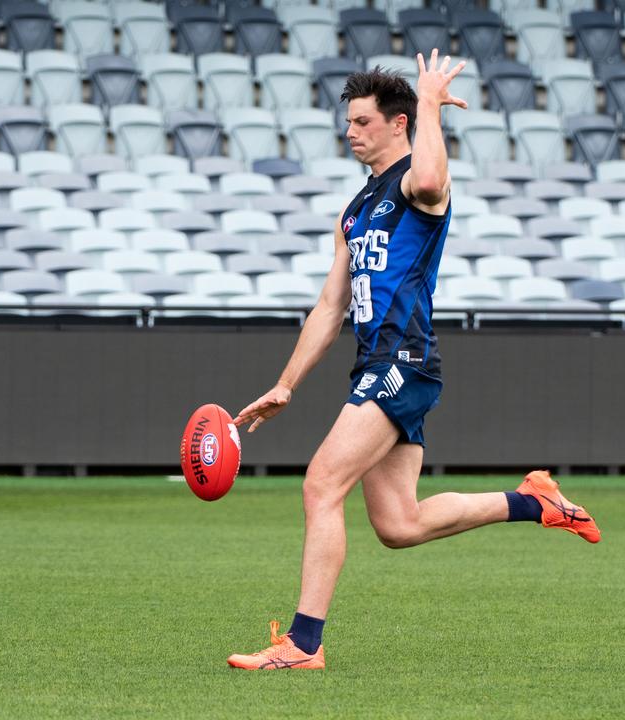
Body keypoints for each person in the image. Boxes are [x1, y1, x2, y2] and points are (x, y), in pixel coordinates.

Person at [226, 50, 601, 671]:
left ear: (397, 125)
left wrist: (428, 102)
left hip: (403, 360)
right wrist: (286, 384)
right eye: (348, 121)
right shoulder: (353, 211)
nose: (351, 131)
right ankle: (535, 501)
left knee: (321, 485)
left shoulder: (415, 183)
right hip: (379, 362)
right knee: (398, 525)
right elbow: (329, 306)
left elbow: (430, 182)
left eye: (364, 121)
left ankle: (302, 645)